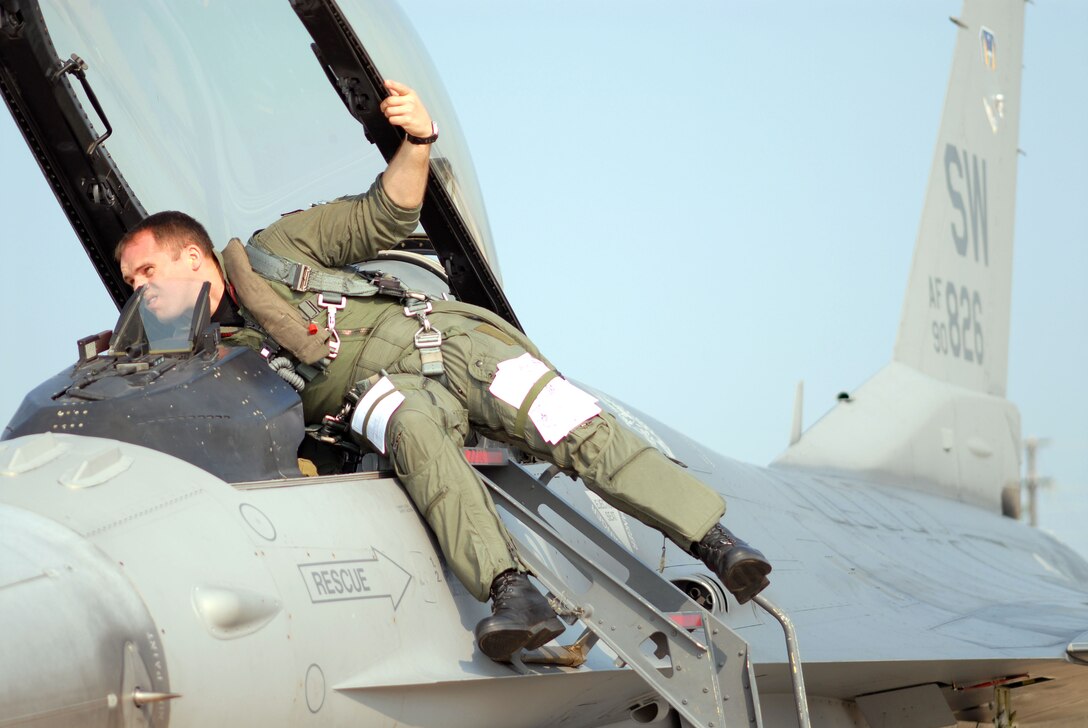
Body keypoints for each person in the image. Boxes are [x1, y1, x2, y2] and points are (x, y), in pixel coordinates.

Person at [115, 80, 771, 662]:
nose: (139, 290)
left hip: (450, 343)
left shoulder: (276, 252)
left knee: (569, 421)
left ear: (194, 255)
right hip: (387, 398)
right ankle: (514, 595)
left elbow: (386, 213)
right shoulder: (213, 361)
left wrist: (419, 140)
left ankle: (715, 542)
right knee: (419, 445)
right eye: (130, 282)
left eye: (146, 271)